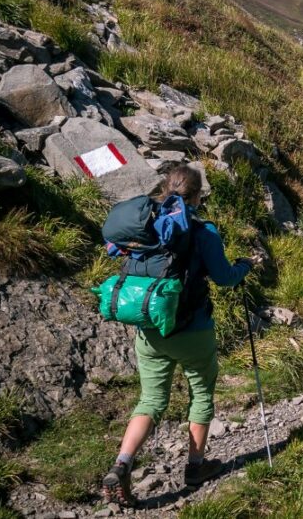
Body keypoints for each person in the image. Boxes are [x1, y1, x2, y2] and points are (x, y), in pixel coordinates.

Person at [102, 164, 262, 506]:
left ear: (164, 189)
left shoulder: (145, 227)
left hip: (151, 327)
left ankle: (122, 464)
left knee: (150, 401)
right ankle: (195, 467)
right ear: (199, 196)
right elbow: (225, 278)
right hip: (193, 330)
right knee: (201, 394)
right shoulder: (203, 231)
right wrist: (246, 265)